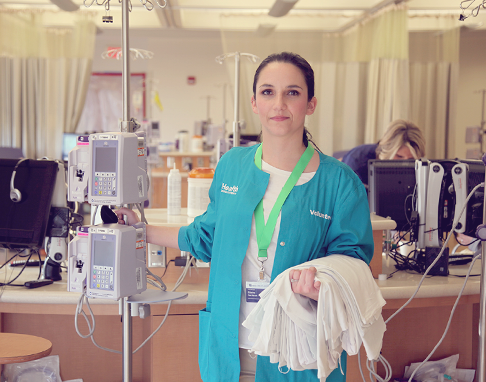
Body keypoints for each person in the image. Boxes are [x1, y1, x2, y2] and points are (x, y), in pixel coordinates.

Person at [118, 52, 373, 382]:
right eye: (268, 92)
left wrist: (319, 287)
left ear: (310, 104)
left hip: (298, 354)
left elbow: (353, 267)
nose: (278, 103)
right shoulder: (232, 166)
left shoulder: (340, 183)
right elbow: (206, 238)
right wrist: (141, 230)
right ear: (254, 102)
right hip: (229, 350)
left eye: (292, 92)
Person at [341, 119, 426, 186]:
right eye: (399, 156)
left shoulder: (418, 166)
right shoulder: (356, 162)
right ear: (387, 152)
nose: (405, 164)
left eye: (411, 159)